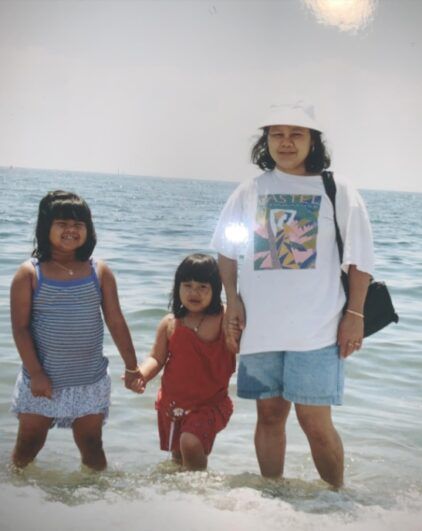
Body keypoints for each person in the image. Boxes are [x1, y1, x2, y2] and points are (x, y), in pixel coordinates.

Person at [211, 102, 374, 488]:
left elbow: (360, 259)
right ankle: (273, 499)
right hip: (260, 328)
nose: (285, 142)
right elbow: (226, 249)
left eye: (296, 134)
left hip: (318, 329)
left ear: (312, 141)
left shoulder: (337, 189)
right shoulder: (251, 189)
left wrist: (356, 314)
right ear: (265, 141)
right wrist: (232, 300)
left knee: (314, 422)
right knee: (268, 416)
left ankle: (336, 498)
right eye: (276, 134)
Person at [10, 190, 143, 471]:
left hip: (89, 380)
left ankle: (96, 503)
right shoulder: (30, 273)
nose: (71, 230)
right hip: (43, 379)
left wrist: (132, 367)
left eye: (78, 224)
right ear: (45, 227)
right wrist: (36, 373)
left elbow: (116, 321)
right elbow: (20, 329)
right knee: (29, 444)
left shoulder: (99, 271)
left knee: (92, 445)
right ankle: (15, 495)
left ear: (88, 229)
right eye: (62, 223)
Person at [136, 253, 238, 471]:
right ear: (177, 288)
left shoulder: (224, 318)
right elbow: (156, 358)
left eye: (203, 286)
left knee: (190, 442)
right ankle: (181, 495)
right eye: (188, 285)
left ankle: (198, 491)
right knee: (178, 456)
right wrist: (141, 374)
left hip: (209, 404)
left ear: (216, 289)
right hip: (173, 404)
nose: (194, 292)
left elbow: (240, 342)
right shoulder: (171, 323)